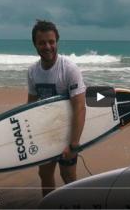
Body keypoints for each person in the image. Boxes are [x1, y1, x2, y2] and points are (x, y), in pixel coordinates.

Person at [27, 20, 86, 196]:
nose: (47, 46)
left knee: (68, 175)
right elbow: (31, 106)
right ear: (35, 44)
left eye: (51, 42)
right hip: (45, 132)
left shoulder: (69, 69)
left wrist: (73, 143)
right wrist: (32, 136)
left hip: (67, 131)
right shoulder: (32, 71)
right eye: (42, 42)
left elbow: (79, 107)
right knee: (44, 175)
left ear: (57, 41)